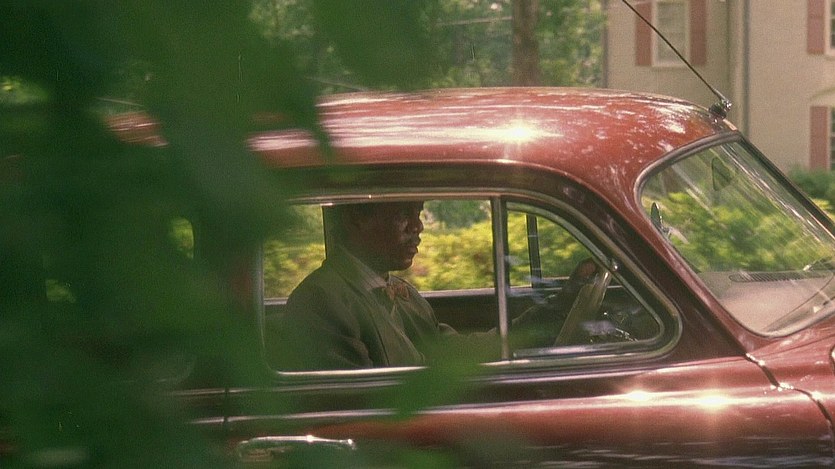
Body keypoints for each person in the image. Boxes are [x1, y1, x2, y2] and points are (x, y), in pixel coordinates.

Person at [268, 201, 596, 370]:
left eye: (419, 212)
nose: (418, 226)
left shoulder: (403, 293)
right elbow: (361, 412)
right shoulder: (321, 302)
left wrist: (558, 307)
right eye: (403, 213)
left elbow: (452, 353)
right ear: (358, 217)